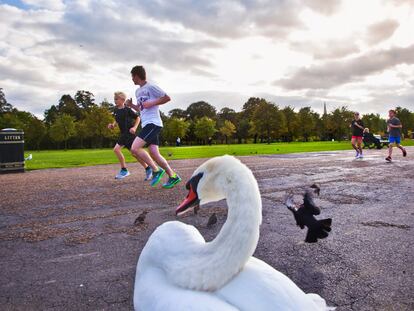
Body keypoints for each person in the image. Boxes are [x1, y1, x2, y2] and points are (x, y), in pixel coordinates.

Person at [126, 65, 181, 189]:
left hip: (153, 123)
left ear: (136, 75)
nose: (132, 79)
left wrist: (152, 102)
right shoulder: (137, 91)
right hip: (146, 123)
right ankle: (173, 176)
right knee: (154, 153)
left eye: (132, 77)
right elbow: (141, 108)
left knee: (134, 149)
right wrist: (131, 105)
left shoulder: (151, 87)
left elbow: (167, 97)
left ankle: (156, 170)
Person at [108, 92, 153, 180]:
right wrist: (112, 125)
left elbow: (138, 118)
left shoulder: (127, 109)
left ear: (122, 100)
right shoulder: (116, 110)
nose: (115, 100)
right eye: (114, 99)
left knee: (133, 153)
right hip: (123, 134)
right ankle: (147, 168)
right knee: (129, 152)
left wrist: (135, 128)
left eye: (117, 99)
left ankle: (145, 168)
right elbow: (116, 120)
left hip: (129, 134)